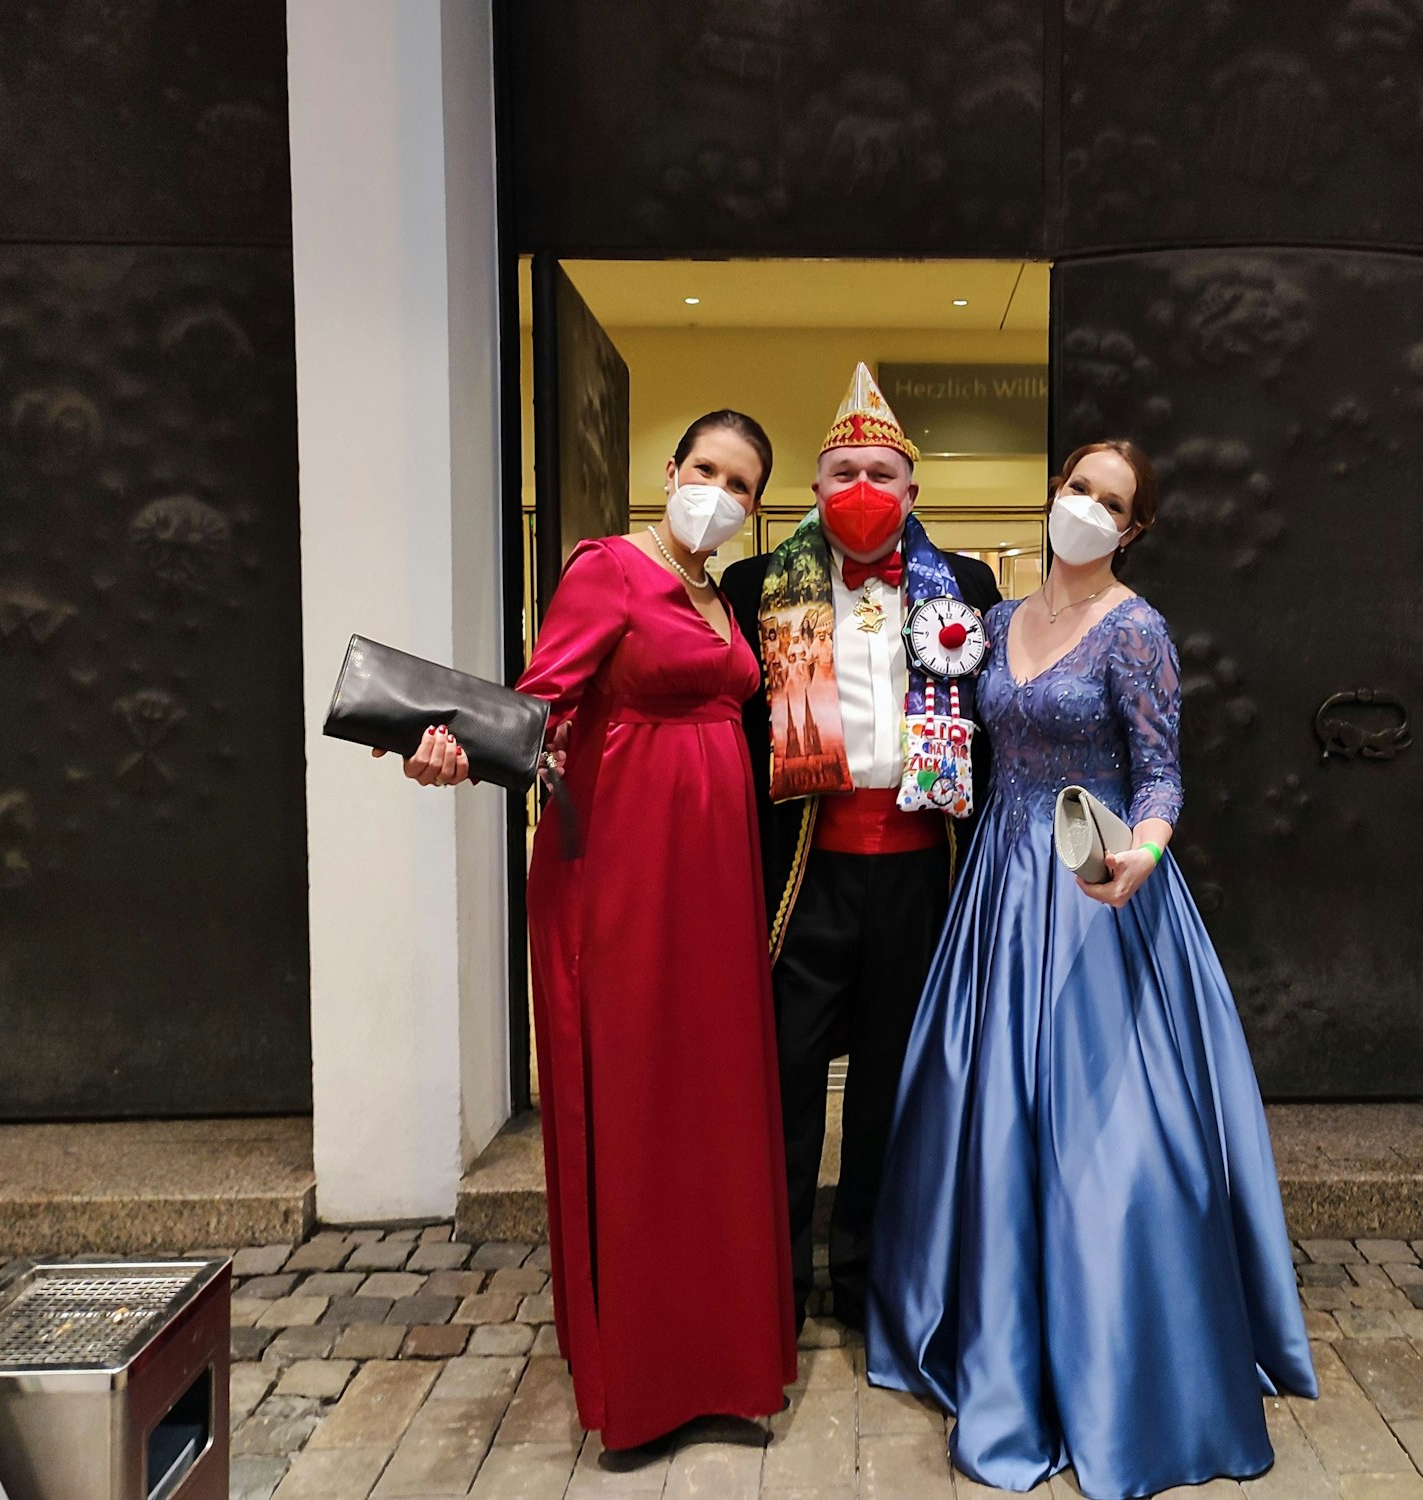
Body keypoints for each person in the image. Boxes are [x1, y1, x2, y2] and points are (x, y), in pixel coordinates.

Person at [866, 440, 1318, 1498]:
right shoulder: (987, 625)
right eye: (1076, 488)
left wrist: (1140, 859)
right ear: (1054, 493)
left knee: (1107, 1137)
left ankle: (1122, 1355)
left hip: (1093, 887)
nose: (1085, 509)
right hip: (993, 890)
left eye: (1109, 503)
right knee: (986, 1114)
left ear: (1133, 529)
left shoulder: (1137, 630)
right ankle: (999, 1331)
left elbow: (1160, 776)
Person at [384, 411, 795, 1450]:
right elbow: (540, 701)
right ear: (669, 470)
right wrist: (444, 753)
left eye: (740, 484)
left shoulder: (715, 596)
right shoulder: (608, 568)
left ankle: (720, 1367)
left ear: (752, 509)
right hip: (621, 865)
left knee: (707, 1104)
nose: (718, 491)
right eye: (705, 468)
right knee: (631, 1102)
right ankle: (638, 1389)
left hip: (712, 878)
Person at [720, 365, 1000, 1336]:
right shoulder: (755, 587)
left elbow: (995, 727)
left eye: (880, 473)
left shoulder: (965, 585)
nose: (862, 491)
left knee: (890, 1079)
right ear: (812, 487)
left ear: (913, 492)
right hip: (801, 875)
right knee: (787, 1079)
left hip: (921, 872)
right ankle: (775, 1281)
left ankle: (868, 1273)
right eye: (842, 473)